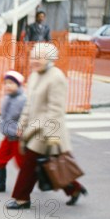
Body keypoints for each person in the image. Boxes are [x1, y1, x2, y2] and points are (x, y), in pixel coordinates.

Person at [6, 43, 87, 209]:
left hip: (47, 130)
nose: (34, 61)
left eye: (39, 58)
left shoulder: (57, 77)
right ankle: (74, 188)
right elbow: (29, 104)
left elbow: (55, 110)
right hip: (34, 127)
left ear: (50, 59)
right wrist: (22, 123)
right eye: (33, 57)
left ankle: (22, 198)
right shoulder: (35, 75)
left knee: (30, 164)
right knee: (49, 164)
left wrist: (51, 135)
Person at [0, 70, 26, 192]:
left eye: (11, 83)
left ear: (19, 85)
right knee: (0, 159)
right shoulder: (7, 98)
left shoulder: (23, 100)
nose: (7, 86)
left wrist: (22, 129)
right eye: (6, 83)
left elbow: (29, 117)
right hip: (8, 137)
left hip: (19, 138)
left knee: (22, 164)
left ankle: (28, 186)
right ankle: (0, 184)